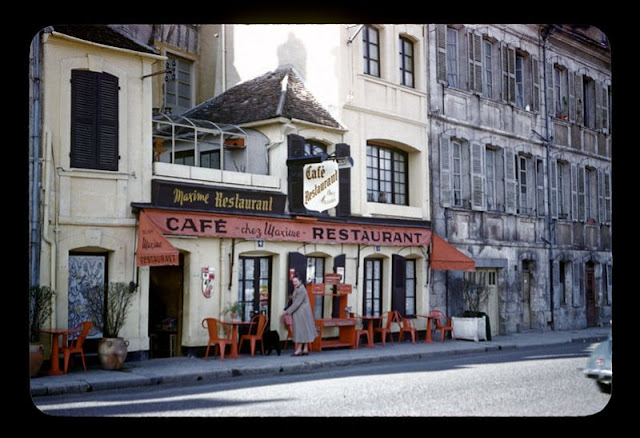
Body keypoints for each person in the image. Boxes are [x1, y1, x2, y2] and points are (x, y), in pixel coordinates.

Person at [284, 275, 317, 356]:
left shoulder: (301, 290)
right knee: (304, 330)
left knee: (300, 330)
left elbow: (297, 303)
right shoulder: (300, 288)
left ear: (300, 281)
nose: (294, 283)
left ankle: (299, 349)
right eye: (293, 281)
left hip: (301, 313)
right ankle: (305, 349)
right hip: (303, 312)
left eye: (296, 281)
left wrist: (288, 311)